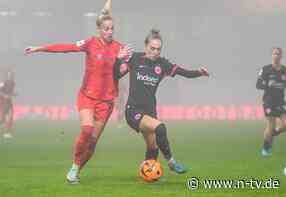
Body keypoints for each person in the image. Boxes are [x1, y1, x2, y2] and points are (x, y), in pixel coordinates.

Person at [25, 0, 131, 183]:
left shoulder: (119, 48)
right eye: (106, 28)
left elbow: (119, 74)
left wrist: (122, 62)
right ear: (99, 29)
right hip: (87, 96)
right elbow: (66, 48)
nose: (110, 32)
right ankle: (74, 166)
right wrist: (39, 48)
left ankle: (75, 171)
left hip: (106, 101)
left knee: (92, 144)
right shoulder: (90, 43)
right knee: (87, 129)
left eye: (112, 28)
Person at [114, 29, 209, 174]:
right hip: (133, 111)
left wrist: (199, 72)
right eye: (152, 48)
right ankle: (171, 162)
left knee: (153, 147)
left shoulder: (163, 64)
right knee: (160, 128)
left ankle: (148, 174)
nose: (155, 52)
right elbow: (116, 75)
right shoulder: (134, 59)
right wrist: (118, 59)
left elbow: (184, 73)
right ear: (145, 46)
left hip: (150, 111)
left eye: (158, 49)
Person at [256, 47, 286, 156]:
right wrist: (268, 85)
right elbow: (258, 85)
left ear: (281, 56)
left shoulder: (284, 70)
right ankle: (266, 148)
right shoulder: (266, 69)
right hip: (269, 101)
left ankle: (275, 133)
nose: (276, 56)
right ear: (271, 56)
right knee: (271, 124)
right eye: (274, 54)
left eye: (278, 54)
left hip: (281, 101)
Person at [0, 70, 17, 139]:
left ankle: (7, 133)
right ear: (6, 75)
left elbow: (11, 92)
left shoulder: (13, 83)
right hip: (2, 102)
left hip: (9, 102)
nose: (10, 76)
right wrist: (5, 95)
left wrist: (14, 94)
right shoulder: (2, 82)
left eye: (11, 74)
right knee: (2, 120)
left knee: (10, 117)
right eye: (9, 74)